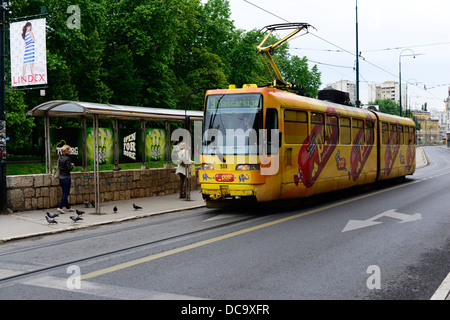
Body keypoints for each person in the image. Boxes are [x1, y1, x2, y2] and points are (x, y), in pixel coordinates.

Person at [57, 145, 74, 214]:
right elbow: (68, 168)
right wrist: (72, 166)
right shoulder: (67, 159)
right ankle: (60, 207)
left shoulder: (60, 158)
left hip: (61, 177)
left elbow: (59, 167)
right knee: (66, 193)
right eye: (69, 150)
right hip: (66, 178)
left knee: (64, 192)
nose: (70, 151)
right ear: (66, 151)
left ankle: (68, 207)